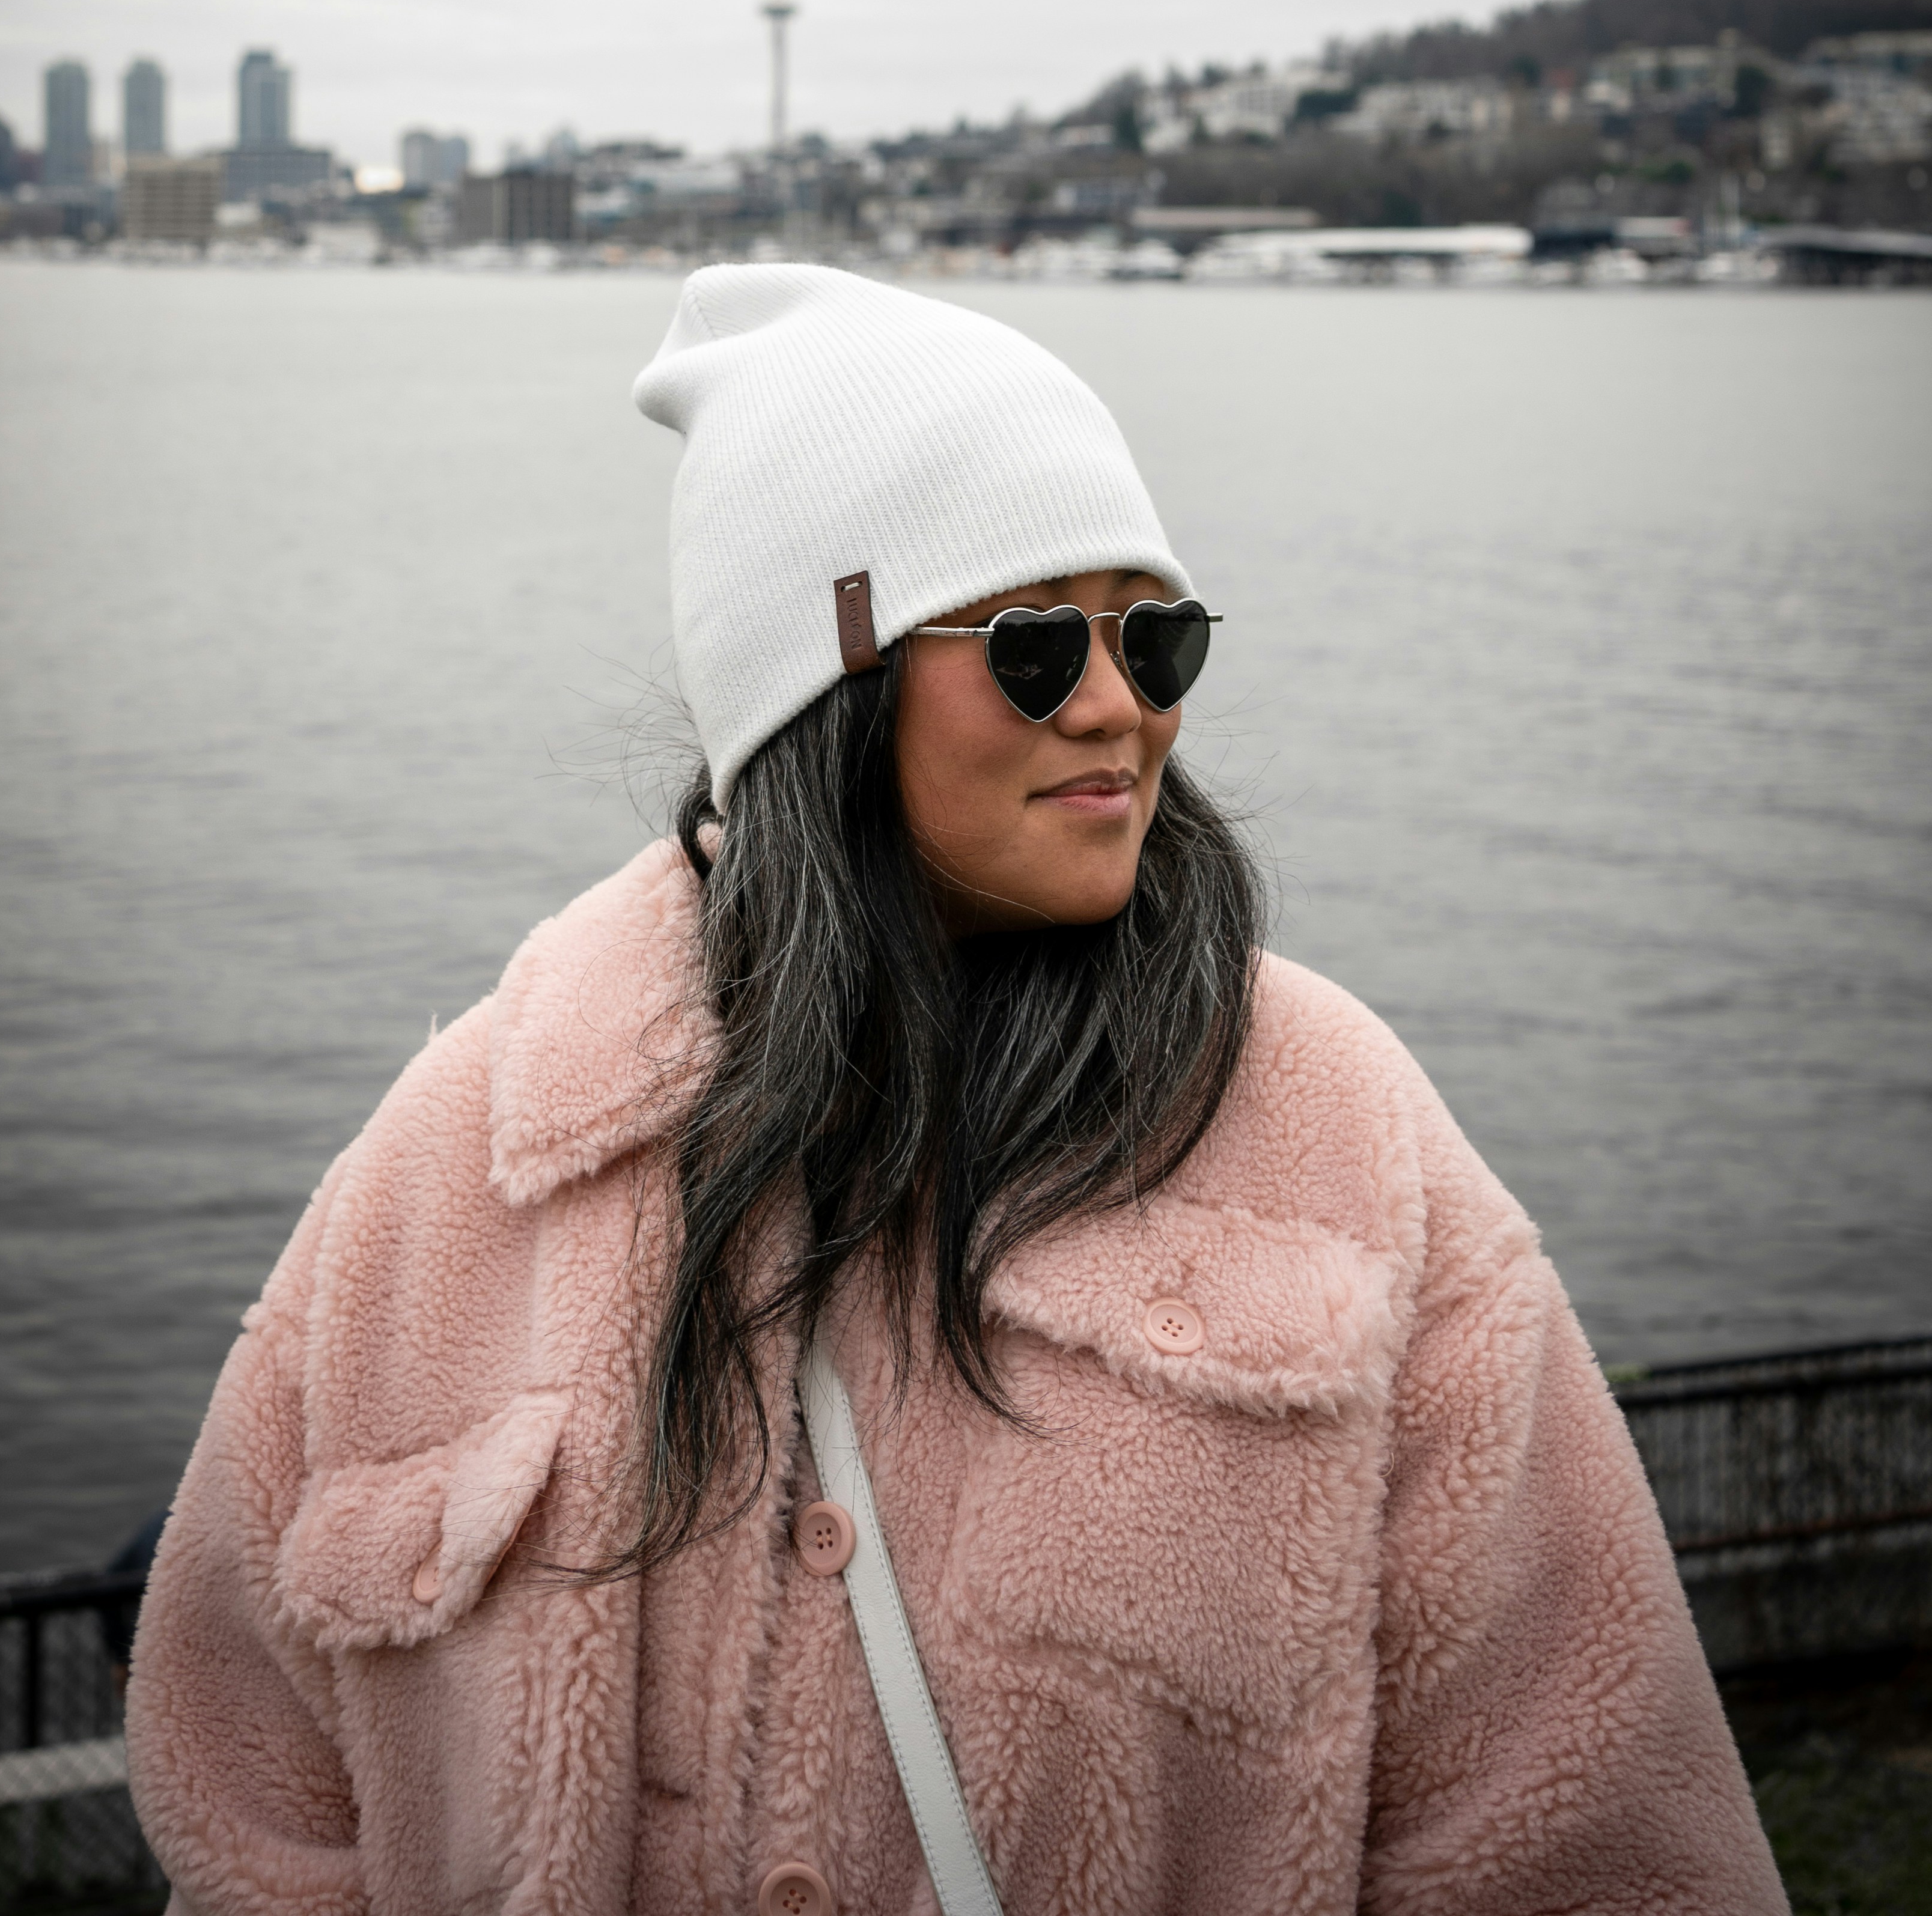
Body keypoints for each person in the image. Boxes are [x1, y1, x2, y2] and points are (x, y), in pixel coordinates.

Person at [127, 264, 1785, 1915]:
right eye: (1033, 641)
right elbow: (250, 1802)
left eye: (1158, 632)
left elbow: (1598, 1838)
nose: (1121, 703)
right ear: (819, 684)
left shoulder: (1332, 1130)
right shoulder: (466, 1156)